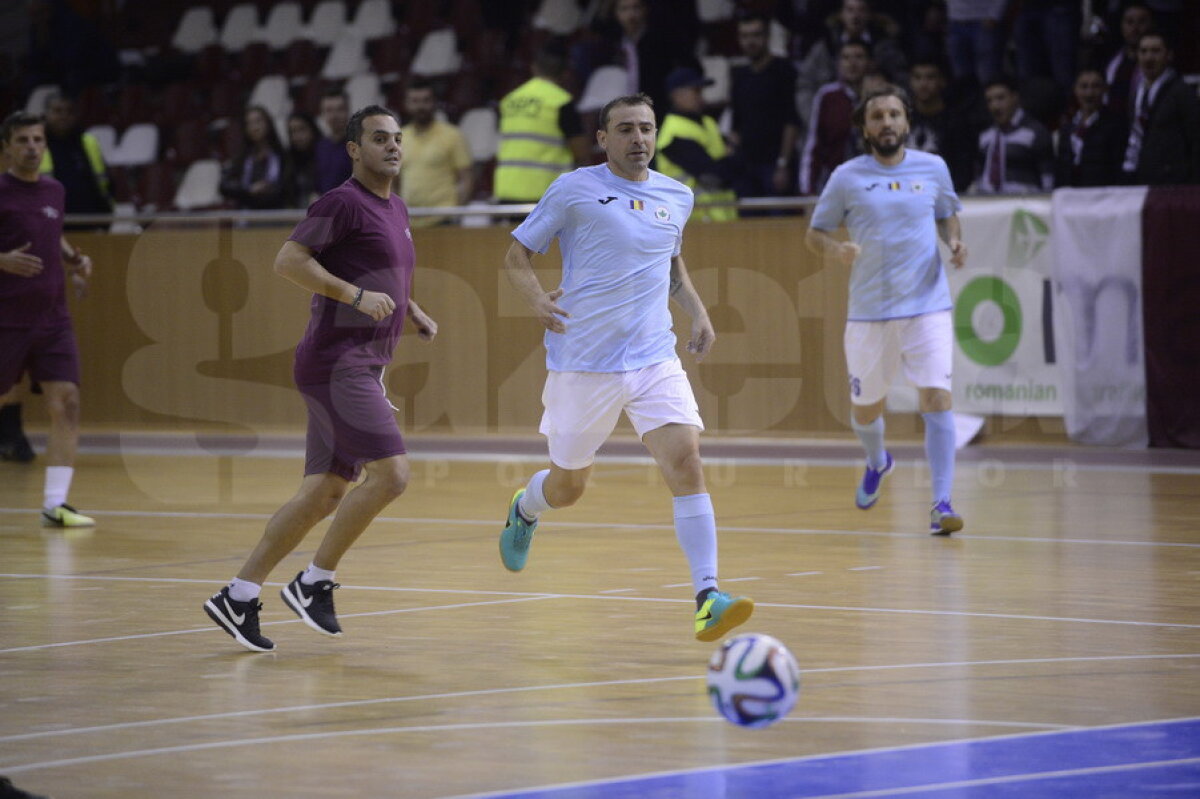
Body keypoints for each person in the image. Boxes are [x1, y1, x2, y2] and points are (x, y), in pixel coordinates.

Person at [497, 93, 754, 643]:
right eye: (626, 129)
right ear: (603, 139)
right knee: (569, 486)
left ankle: (707, 596)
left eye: (647, 129)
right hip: (582, 365)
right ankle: (527, 507)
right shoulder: (573, 190)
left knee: (686, 461)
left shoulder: (676, 195)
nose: (639, 139)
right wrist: (537, 299)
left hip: (652, 357)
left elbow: (671, 263)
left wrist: (699, 313)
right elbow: (517, 255)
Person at [203, 105, 439, 652]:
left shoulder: (396, 206)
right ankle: (315, 582)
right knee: (392, 475)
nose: (393, 147)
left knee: (323, 493)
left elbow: (383, 273)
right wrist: (353, 296)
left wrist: (411, 308)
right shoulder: (341, 202)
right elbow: (288, 261)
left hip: (360, 364)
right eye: (380, 139)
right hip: (337, 363)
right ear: (354, 149)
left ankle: (238, 595)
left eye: (398, 138)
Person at [804, 85, 969, 535]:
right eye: (877, 116)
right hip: (870, 311)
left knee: (936, 398)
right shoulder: (846, 176)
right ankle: (878, 460)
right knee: (865, 409)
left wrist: (952, 239)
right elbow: (814, 233)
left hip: (927, 305)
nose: (887, 123)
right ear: (864, 127)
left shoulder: (932, 167)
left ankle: (941, 504)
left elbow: (946, 212)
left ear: (907, 123)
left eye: (895, 114)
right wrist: (836, 249)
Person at [0, 110, 95, 527]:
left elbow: (51, 234)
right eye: (23, 140)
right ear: (6, 147)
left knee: (67, 402)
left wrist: (75, 259)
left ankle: (55, 503)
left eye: (38, 140)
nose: (32, 147)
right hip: (6, 319)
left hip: (53, 319)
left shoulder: (54, 190)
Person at [493, 39, 591, 205]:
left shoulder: (509, 100)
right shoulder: (560, 101)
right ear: (565, 73)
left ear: (534, 68)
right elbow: (581, 152)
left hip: (507, 189)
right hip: (545, 193)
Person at [728, 12, 801, 199]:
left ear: (767, 37)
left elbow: (792, 121)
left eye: (756, 35)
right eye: (745, 36)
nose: (750, 41)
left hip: (775, 165)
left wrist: (783, 164)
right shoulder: (739, 76)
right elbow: (736, 125)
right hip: (747, 167)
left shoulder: (784, 70)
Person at [655, 67, 738, 222]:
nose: (701, 98)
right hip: (694, 220)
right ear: (677, 95)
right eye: (696, 92)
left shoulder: (708, 122)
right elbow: (714, 174)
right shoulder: (673, 133)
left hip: (723, 215)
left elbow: (737, 165)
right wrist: (731, 158)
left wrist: (731, 161)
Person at [1120, 31, 1200, 185]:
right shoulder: (1135, 91)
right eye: (1143, 51)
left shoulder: (1182, 92)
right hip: (1141, 177)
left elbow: (1195, 139)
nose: (1149, 57)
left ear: (1169, 55)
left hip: (1174, 182)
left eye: (1155, 51)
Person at [397, 78, 474, 227]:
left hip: (444, 222)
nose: (421, 106)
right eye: (415, 101)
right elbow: (393, 182)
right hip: (409, 222)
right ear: (406, 104)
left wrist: (455, 213)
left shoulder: (453, 135)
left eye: (426, 100)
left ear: (434, 103)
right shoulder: (398, 138)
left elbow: (467, 179)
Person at [799, 39, 871, 195]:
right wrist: (808, 191)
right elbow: (814, 145)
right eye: (846, 58)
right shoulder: (827, 96)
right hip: (836, 186)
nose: (852, 63)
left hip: (874, 186)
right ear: (838, 64)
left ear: (869, 63)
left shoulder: (881, 96)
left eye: (859, 57)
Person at [970, 75, 1055, 194]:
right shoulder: (985, 136)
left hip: (1025, 204)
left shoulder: (1035, 132)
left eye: (1000, 98)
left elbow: (1048, 179)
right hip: (988, 204)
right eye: (990, 100)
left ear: (1015, 97)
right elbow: (978, 176)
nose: (995, 106)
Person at [39, 90, 113, 218]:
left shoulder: (88, 142)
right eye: (58, 111)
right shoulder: (34, 144)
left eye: (69, 111)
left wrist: (107, 212)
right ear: (45, 114)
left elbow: (105, 183)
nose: (64, 116)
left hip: (90, 220)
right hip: (50, 221)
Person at [906, 59, 973, 191]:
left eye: (930, 77)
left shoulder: (957, 122)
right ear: (910, 81)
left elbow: (963, 170)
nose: (923, 84)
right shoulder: (901, 118)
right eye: (917, 77)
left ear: (942, 81)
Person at [1054, 68, 1128, 187]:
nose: (1089, 93)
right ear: (1075, 90)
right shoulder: (1067, 128)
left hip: (1101, 196)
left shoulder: (1115, 125)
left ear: (1105, 89)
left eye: (1095, 86)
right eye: (1084, 86)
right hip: (1070, 196)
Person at [219, 105, 289, 209]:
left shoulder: (282, 156)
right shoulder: (241, 158)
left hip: (275, 214)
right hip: (246, 214)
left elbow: (287, 189)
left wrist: (268, 189)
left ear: (268, 124)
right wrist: (248, 190)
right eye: (249, 123)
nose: (254, 127)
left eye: (258, 121)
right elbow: (224, 186)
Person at [1103, 2, 1153, 122]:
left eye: (1141, 22)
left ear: (1151, 24)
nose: (1135, 28)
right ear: (1121, 25)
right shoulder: (1111, 62)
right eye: (1130, 22)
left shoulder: (1157, 64)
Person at [313, 89, 352, 195]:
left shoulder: (359, 146)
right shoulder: (320, 147)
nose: (334, 116)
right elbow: (318, 185)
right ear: (322, 115)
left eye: (340, 109)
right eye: (329, 110)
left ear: (348, 112)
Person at [286, 111, 320, 209]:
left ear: (312, 129)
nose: (297, 136)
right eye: (293, 131)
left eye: (302, 129)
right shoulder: (288, 159)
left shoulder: (324, 154)